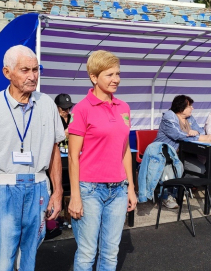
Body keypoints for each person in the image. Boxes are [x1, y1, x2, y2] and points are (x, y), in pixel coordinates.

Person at [0, 45, 64, 271]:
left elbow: (54, 153)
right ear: (7, 73)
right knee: (2, 260)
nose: (32, 76)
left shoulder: (47, 105)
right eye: (25, 70)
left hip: (38, 188)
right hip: (3, 190)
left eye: (35, 69)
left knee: (28, 259)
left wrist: (58, 192)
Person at [68, 50, 137, 271]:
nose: (116, 79)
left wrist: (131, 188)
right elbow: (72, 157)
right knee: (87, 253)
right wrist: (75, 196)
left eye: (117, 73)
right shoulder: (81, 109)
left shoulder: (124, 108)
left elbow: (125, 150)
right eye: (109, 74)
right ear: (94, 77)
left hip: (118, 190)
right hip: (89, 190)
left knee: (110, 252)